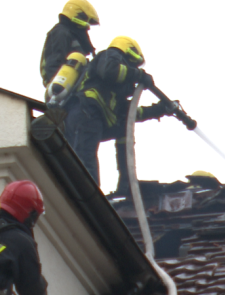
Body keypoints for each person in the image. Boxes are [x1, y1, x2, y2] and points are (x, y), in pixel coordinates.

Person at [63, 36, 173, 195]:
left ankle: (123, 185)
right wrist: (138, 74)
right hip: (86, 111)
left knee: (121, 130)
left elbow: (127, 115)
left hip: (92, 118)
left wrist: (158, 110)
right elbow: (110, 71)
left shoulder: (114, 93)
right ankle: (88, 201)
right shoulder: (111, 54)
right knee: (85, 161)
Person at [39, 0, 99, 88]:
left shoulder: (73, 36)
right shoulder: (61, 33)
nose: (87, 24)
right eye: (85, 19)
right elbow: (53, 64)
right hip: (62, 88)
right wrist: (57, 89)